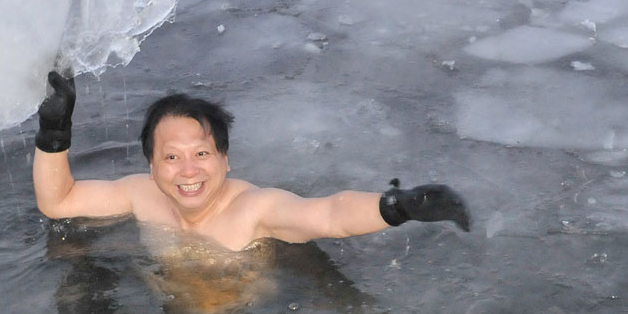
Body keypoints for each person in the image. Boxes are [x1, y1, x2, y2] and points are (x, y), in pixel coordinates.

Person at [33, 71, 471, 251]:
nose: (188, 171)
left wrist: (400, 206)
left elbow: (329, 215)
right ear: (151, 165)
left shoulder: (254, 209)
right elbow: (59, 202)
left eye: (201, 154)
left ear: (225, 161)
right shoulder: (139, 194)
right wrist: (54, 134)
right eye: (172, 157)